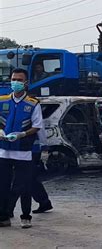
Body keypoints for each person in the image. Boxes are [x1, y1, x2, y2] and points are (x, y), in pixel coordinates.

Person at [0, 68, 43, 228]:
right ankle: (4, 217)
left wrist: (22, 134)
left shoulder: (32, 104)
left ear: (26, 83)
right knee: (2, 185)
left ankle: (26, 216)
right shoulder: (2, 100)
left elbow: (37, 126)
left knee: (22, 186)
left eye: (19, 80)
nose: (15, 82)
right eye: (13, 79)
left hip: (23, 151)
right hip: (4, 150)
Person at [9, 127, 53, 217]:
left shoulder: (30, 115)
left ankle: (9, 208)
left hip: (29, 150)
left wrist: (44, 148)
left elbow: (39, 129)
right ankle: (44, 202)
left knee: (20, 179)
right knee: (30, 179)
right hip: (26, 149)